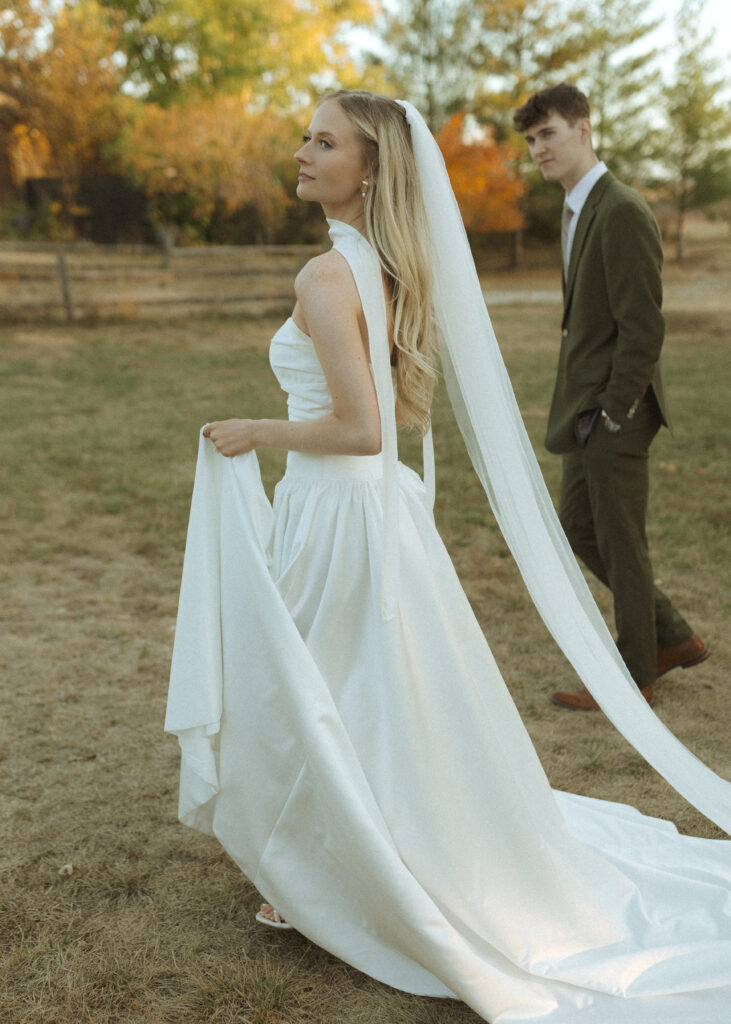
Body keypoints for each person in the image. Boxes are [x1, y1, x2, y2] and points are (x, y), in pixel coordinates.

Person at [166, 90, 730, 1023]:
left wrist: (250, 429)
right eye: (304, 136)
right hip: (370, 513)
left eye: (324, 141)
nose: (302, 152)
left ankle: (330, 875)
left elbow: (359, 426)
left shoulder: (326, 275)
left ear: (372, 167)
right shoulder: (381, 263)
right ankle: (334, 857)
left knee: (316, 690)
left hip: (340, 509)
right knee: (363, 690)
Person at [513, 83, 709, 711]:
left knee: (622, 540)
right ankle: (671, 638)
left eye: (549, 134)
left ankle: (635, 676)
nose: (539, 149)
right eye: (532, 140)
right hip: (585, 408)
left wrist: (614, 411)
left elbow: (643, 327)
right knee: (578, 525)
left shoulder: (620, 209)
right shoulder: (577, 208)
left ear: (584, 128)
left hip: (615, 409)